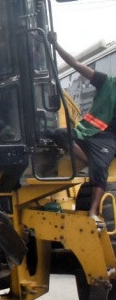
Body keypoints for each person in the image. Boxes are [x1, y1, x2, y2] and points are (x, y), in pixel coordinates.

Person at [50, 32, 116, 222]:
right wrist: (55, 44)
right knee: (58, 134)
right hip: (87, 131)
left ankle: (93, 212)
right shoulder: (107, 83)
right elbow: (76, 64)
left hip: (108, 138)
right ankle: (89, 161)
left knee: (101, 166)